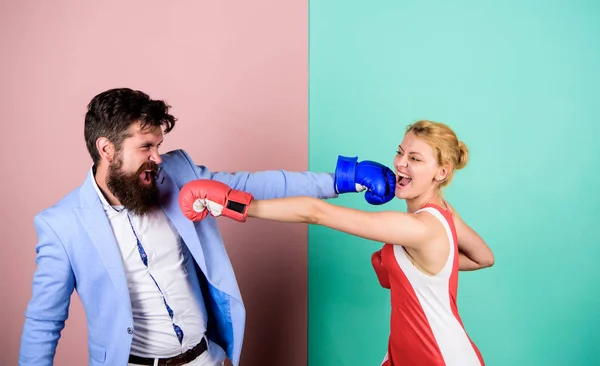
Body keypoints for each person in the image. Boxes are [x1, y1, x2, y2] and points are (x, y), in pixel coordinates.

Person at [18, 87, 398, 366]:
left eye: (159, 146)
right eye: (146, 147)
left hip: (206, 359)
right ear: (106, 149)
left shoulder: (177, 172)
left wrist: (339, 180)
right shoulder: (62, 224)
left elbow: (253, 185)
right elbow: (44, 321)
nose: (157, 158)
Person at [178, 120, 495, 366]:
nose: (401, 163)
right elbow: (484, 257)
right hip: (404, 354)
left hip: (439, 357)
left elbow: (316, 212)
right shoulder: (443, 215)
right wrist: (426, 274)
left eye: (415, 159)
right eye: (400, 152)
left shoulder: (419, 227)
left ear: (442, 171)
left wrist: (235, 204)